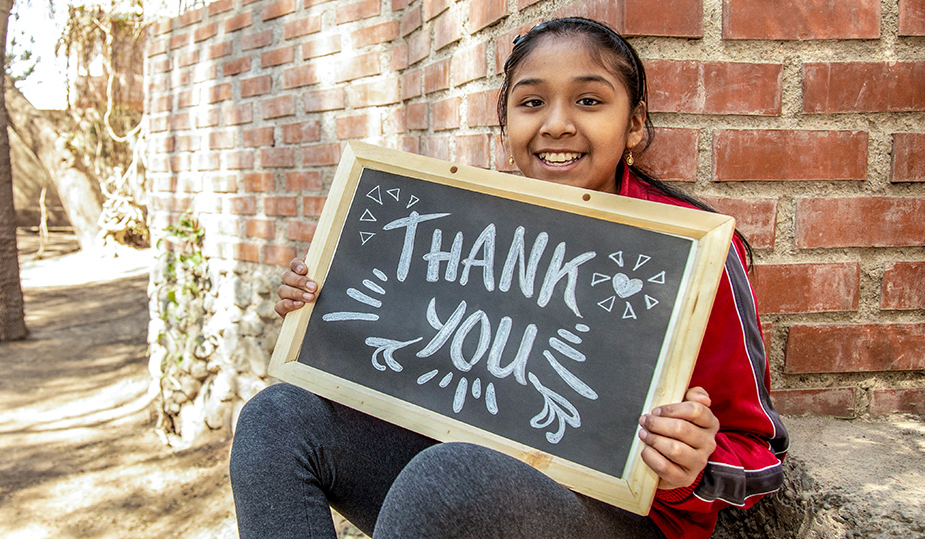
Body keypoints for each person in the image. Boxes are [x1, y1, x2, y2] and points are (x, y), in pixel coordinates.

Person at [230, 17, 788, 539]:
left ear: (635, 124)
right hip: (468, 475)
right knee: (275, 418)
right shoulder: (470, 222)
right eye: (532, 102)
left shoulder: (690, 253)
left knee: (452, 477)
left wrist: (692, 463)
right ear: (506, 125)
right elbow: (403, 361)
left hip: (614, 515)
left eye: (589, 101)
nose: (557, 124)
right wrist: (323, 309)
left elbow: (759, 452)